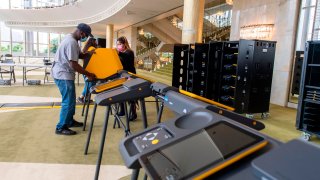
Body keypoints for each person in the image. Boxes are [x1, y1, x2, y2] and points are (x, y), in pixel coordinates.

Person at [51, 23, 96, 135]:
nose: (84, 38)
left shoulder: (71, 38)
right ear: (81, 32)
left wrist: (88, 53)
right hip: (63, 75)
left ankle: (69, 121)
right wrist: (88, 73)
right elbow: (74, 64)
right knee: (68, 101)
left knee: (71, 100)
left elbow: (79, 55)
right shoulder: (71, 42)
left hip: (64, 73)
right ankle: (61, 127)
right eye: (85, 35)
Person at [116, 36, 137, 121]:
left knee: (130, 95)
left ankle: (133, 113)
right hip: (122, 75)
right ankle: (123, 110)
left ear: (125, 44)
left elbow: (126, 56)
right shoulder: (120, 53)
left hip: (130, 76)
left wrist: (117, 53)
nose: (118, 46)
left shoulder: (129, 52)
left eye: (120, 44)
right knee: (121, 93)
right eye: (117, 44)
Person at [77, 37, 98, 104]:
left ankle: (87, 98)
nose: (96, 43)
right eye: (95, 42)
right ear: (92, 42)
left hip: (85, 69)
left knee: (88, 84)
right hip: (90, 70)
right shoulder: (93, 49)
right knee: (90, 85)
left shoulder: (86, 49)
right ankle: (81, 97)